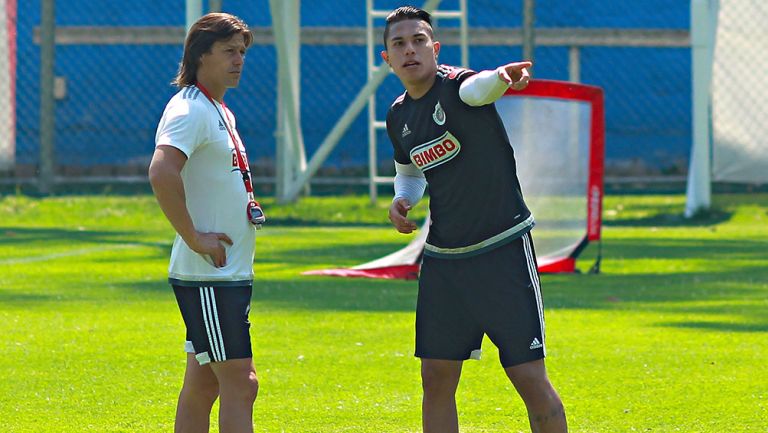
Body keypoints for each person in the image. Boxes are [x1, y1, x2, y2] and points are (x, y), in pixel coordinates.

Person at [381, 6, 567, 433]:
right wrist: (401, 200)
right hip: (445, 261)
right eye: (399, 43)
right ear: (386, 59)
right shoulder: (398, 115)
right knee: (436, 379)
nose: (410, 50)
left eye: (419, 40)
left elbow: (479, 87)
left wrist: (501, 76)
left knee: (527, 377)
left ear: (435, 48)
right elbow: (408, 171)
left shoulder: (457, 87)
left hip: (502, 251)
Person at [148, 12, 265, 433]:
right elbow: (162, 171)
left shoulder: (218, 110)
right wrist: (195, 237)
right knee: (241, 382)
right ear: (201, 54)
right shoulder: (189, 109)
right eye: (229, 52)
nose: (239, 61)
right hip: (209, 275)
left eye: (243, 52)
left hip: (224, 273)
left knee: (202, 384)